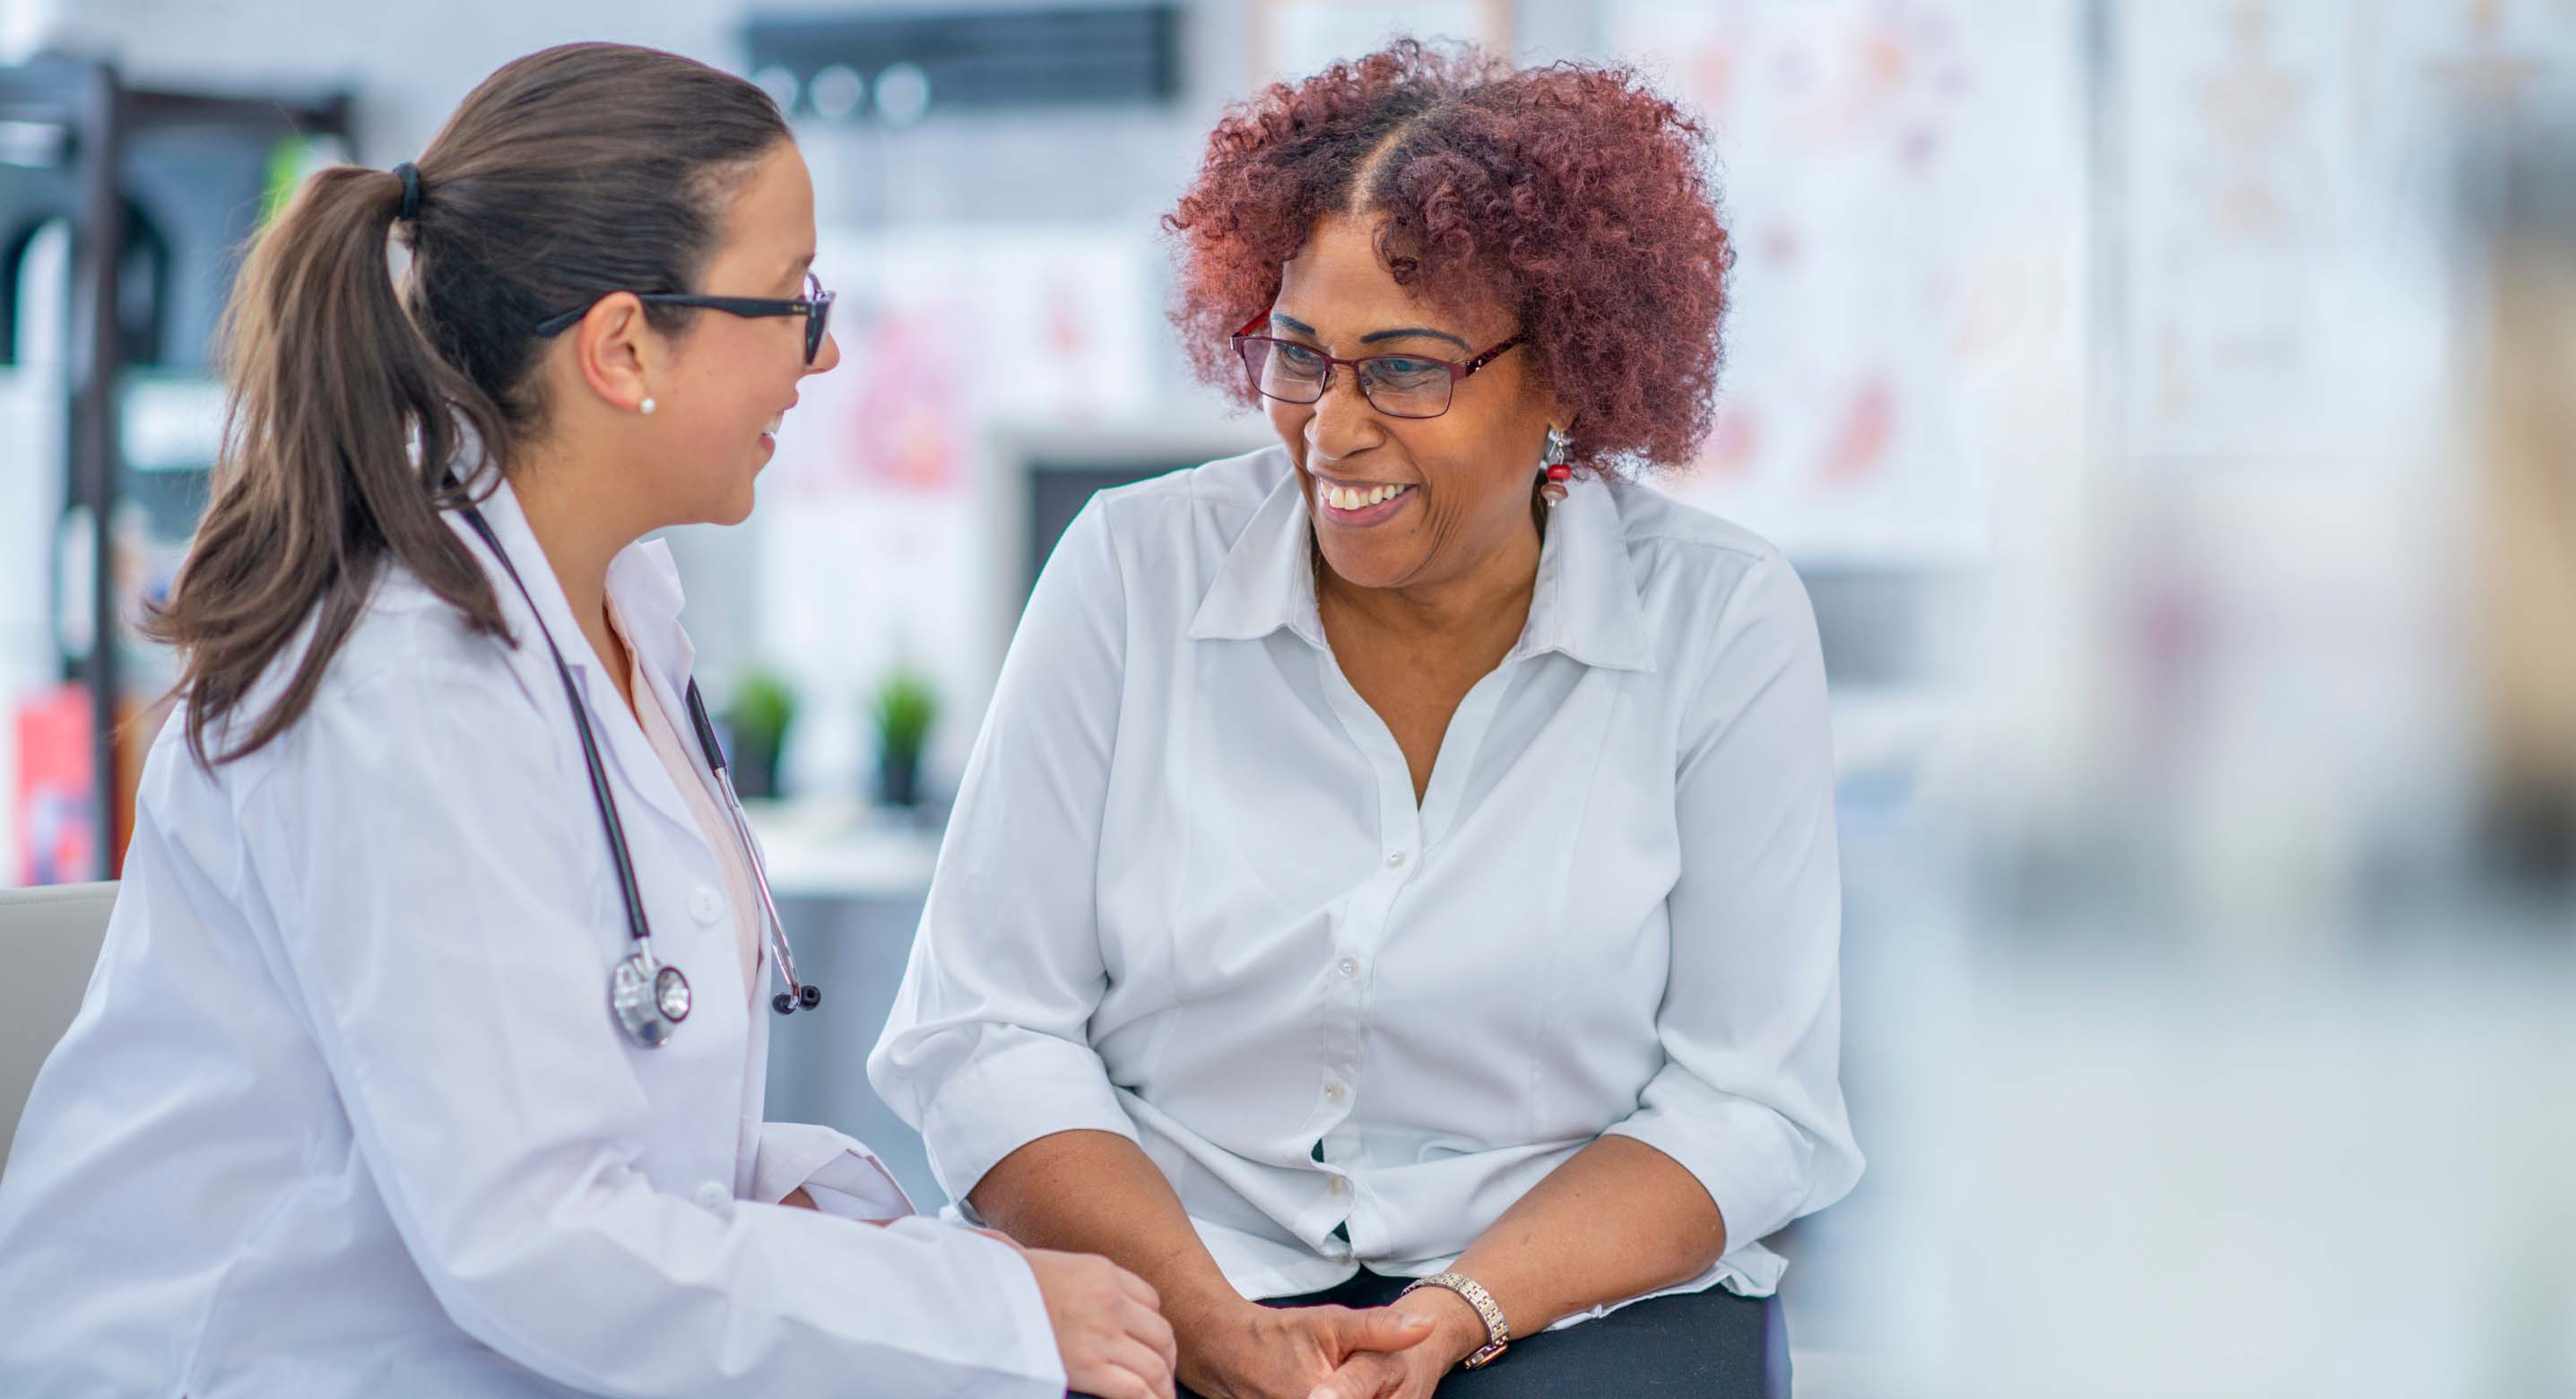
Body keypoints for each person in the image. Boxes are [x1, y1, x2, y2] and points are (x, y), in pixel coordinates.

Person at [0, 43, 1174, 1399]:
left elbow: (594, 1119)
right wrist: (983, 1310)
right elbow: (532, 1236)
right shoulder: (400, 682)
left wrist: (844, 1227)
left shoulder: (622, 601)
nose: (828, 348)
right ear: (623, 347)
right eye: (794, 298)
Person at [869, 39, 1863, 1399]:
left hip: (1561, 1297)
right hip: (1170, 1262)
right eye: (1298, 356)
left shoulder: (1721, 623)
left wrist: (1460, 1309)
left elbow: (1750, 1100)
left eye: (1403, 369)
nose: (1329, 430)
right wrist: (1207, 1320)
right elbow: (984, 1030)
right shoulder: (1129, 572)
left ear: (1568, 377)